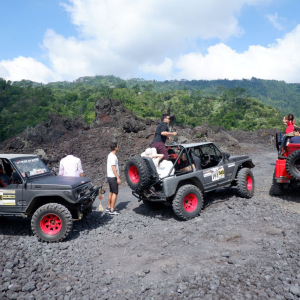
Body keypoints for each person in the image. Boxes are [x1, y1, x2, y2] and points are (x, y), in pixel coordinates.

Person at [106, 141, 121, 215]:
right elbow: (113, 168)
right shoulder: (113, 156)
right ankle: (112, 209)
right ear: (115, 147)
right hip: (113, 177)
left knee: (111, 192)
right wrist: (118, 177)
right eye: (118, 146)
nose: (118, 147)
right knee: (115, 192)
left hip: (109, 176)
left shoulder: (110, 155)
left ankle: (108, 207)